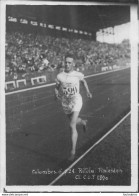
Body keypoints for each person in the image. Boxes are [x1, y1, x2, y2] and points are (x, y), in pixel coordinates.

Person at [54, 53, 92, 161]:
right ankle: (83, 122)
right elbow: (56, 86)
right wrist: (56, 93)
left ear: (73, 64)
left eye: (69, 62)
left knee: (71, 125)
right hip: (66, 102)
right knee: (73, 121)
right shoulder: (59, 75)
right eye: (66, 62)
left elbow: (84, 81)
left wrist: (88, 92)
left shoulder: (77, 74)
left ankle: (73, 152)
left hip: (76, 100)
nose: (67, 64)